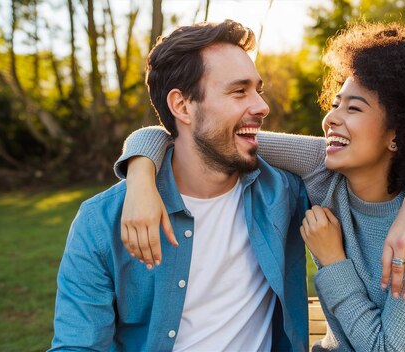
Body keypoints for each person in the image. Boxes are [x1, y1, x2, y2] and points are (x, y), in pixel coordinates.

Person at [115, 22, 405, 350]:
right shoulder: (323, 168)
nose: (331, 119)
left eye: (354, 108)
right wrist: (140, 175)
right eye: (335, 103)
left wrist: (333, 261)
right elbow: (206, 135)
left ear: (398, 135)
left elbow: (386, 348)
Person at [50, 20, 312, 351]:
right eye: (238, 91)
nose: (262, 106)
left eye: (257, 90)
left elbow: (347, 157)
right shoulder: (102, 222)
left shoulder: (283, 193)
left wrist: (403, 209)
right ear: (182, 106)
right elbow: (78, 345)